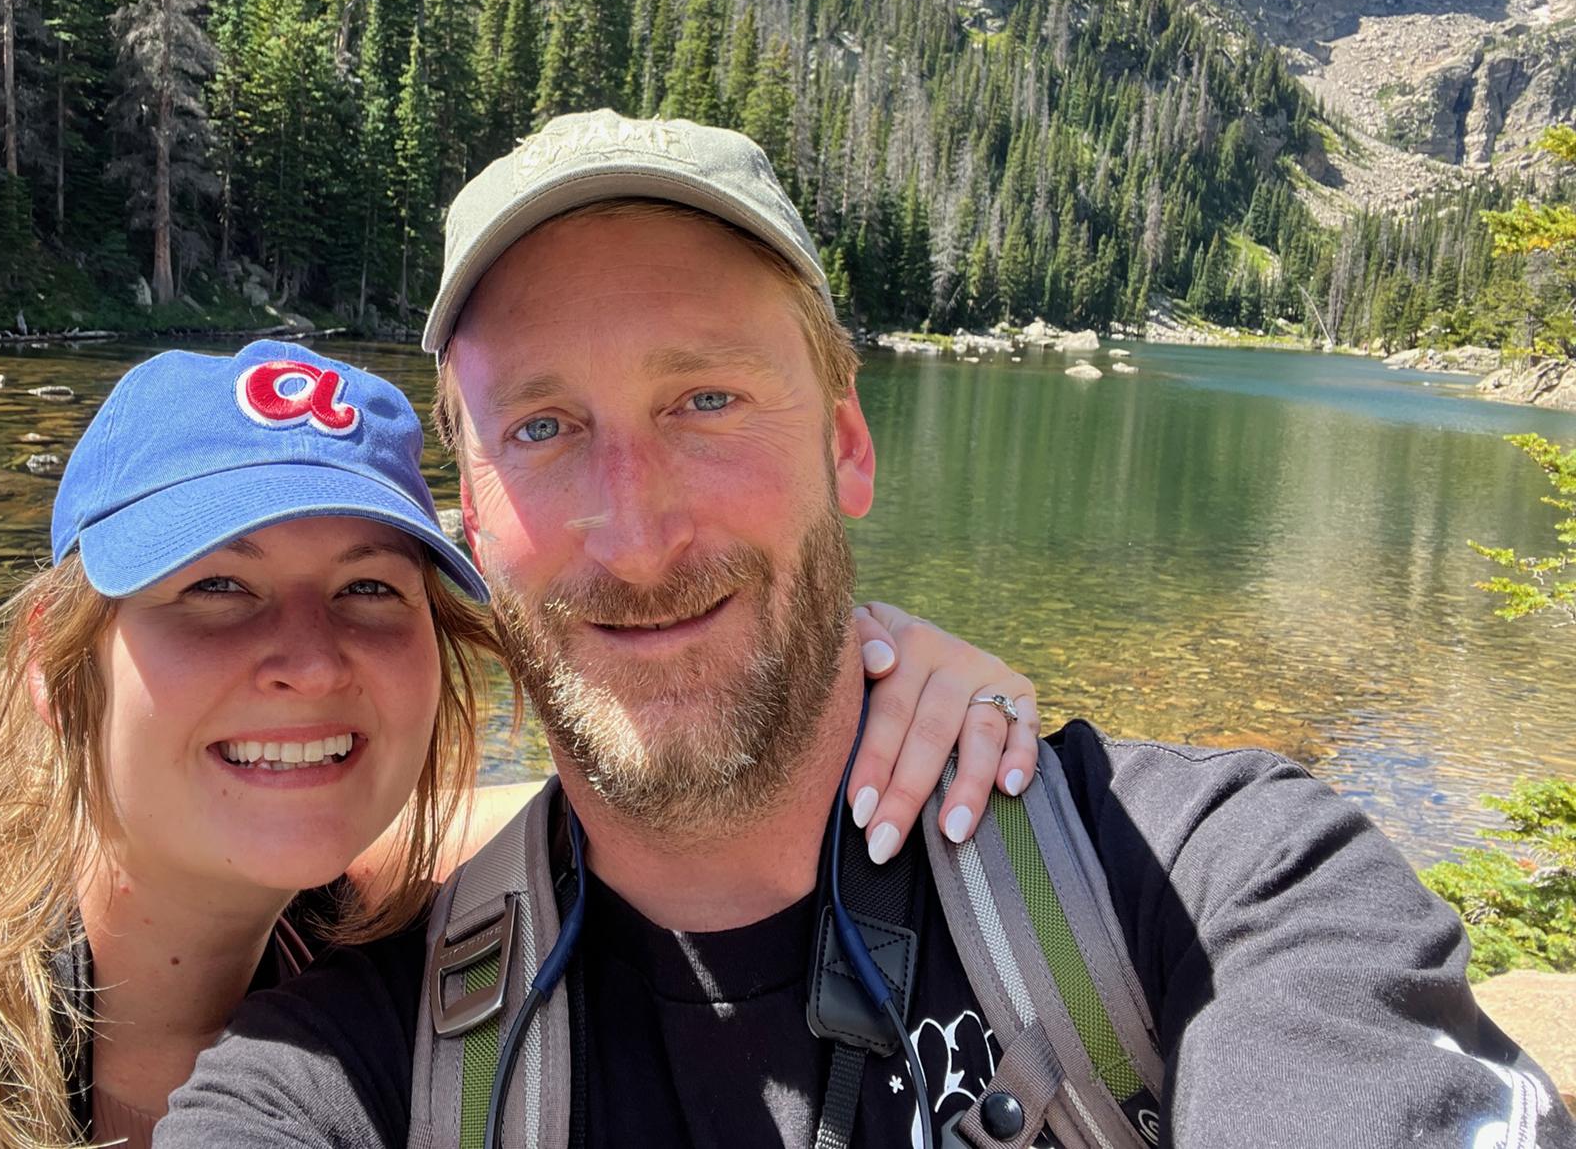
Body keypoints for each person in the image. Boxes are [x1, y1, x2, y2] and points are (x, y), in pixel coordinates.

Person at [156, 112, 1576, 1149]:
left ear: (847, 445)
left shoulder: (1219, 888)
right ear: (470, 513)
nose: (637, 536)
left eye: (706, 401)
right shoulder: (345, 1066)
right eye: (542, 426)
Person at [0, 339, 1037, 1149]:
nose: (308, 658)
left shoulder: (378, 894)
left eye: (370, 588)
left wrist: (888, 673)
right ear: (56, 666)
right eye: (214, 588)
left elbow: (650, 798)